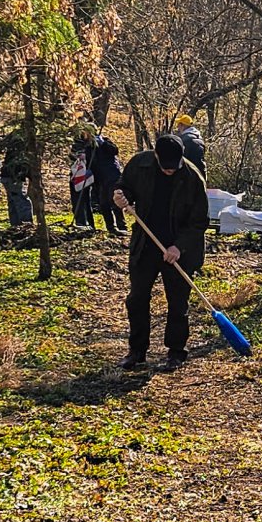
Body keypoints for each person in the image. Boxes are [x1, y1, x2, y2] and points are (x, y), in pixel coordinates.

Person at [113, 134, 209, 372]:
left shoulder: (192, 178)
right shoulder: (139, 164)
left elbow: (200, 222)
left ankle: (176, 351)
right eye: (165, 167)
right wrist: (119, 196)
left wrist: (179, 246)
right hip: (145, 244)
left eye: (173, 167)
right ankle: (137, 351)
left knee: (177, 302)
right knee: (137, 299)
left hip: (179, 249)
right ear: (156, 156)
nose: (169, 171)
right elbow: (124, 187)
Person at [91, 130, 127, 235]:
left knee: (115, 202)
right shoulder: (89, 147)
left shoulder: (105, 142)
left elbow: (115, 150)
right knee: (103, 204)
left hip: (112, 176)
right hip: (99, 179)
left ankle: (122, 226)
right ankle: (111, 228)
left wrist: (102, 143)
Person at [1, 131, 34, 228]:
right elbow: (24, 165)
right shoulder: (21, 151)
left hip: (6, 176)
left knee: (13, 201)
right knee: (21, 200)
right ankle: (26, 225)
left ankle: (15, 226)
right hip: (14, 178)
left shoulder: (12, 148)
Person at [69, 124, 96, 231]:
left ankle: (87, 222)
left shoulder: (94, 144)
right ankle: (81, 221)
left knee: (85, 199)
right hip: (76, 173)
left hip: (87, 175)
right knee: (77, 199)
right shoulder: (78, 142)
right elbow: (71, 155)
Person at [175, 113, 206, 177]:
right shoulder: (199, 138)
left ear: (183, 125)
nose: (177, 127)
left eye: (179, 124)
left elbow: (181, 160)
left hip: (189, 175)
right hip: (201, 173)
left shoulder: (185, 139)